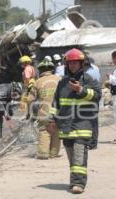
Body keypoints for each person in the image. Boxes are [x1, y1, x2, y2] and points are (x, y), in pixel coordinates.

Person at [50, 48, 101, 194]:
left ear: (81, 64)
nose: (72, 65)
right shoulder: (62, 83)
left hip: (82, 124)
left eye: (75, 63)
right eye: (70, 63)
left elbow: (97, 96)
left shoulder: (89, 80)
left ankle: (79, 184)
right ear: (66, 64)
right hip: (66, 126)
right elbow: (56, 103)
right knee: (72, 158)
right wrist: (51, 119)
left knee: (79, 156)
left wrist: (81, 90)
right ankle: (74, 181)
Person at [28, 59, 61, 159]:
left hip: (44, 112)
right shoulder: (59, 79)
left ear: (40, 70)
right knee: (56, 131)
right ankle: (54, 154)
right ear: (52, 69)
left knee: (44, 131)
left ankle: (43, 154)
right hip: (59, 111)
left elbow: (30, 99)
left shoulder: (38, 82)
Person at [84, 56, 101, 149]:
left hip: (90, 98)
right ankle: (93, 141)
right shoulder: (95, 69)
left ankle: (92, 142)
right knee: (93, 120)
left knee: (91, 121)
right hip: (95, 98)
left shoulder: (87, 74)